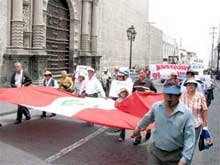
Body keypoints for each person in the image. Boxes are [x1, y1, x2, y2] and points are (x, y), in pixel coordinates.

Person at [131, 83, 195, 165]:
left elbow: (190, 138)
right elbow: (147, 118)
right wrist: (138, 128)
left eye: (172, 95)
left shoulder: (186, 113)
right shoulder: (157, 107)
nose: (169, 98)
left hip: (175, 156)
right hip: (156, 152)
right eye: (167, 94)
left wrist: (185, 158)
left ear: (179, 96)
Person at [180, 79, 208, 164]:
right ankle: (182, 161)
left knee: (190, 146)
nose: (190, 86)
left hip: (196, 125)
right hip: (183, 125)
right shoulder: (182, 96)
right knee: (182, 145)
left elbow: (205, 109)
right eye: (188, 85)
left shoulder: (200, 96)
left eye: (193, 85)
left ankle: (187, 163)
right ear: (186, 86)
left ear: (196, 86)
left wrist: (205, 123)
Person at [132, 68, 157, 145]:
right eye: (139, 73)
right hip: (138, 105)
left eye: (142, 73)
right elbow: (133, 93)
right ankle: (138, 137)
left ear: (145, 74)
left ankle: (148, 130)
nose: (141, 74)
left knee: (147, 119)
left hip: (147, 105)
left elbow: (155, 92)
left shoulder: (149, 82)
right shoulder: (135, 82)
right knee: (137, 121)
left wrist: (150, 91)